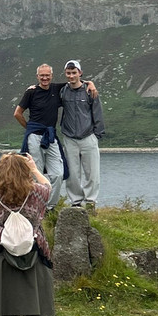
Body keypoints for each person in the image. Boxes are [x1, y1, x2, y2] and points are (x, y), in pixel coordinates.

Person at [0, 152, 55, 316]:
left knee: (8, 298)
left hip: (3, 251)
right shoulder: (39, 193)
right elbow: (48, 184)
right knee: (36, 297)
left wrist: (3, 167)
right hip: (35, 249)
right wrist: (33, 169)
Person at [13, 64, 97, 210]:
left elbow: (75, 81)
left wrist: (91, 84)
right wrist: (30, 128)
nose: (45, 78)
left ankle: (49, 207)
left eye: (47, 75)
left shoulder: (57, 89)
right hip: (34, 137)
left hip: (51, 136)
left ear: (51, 76)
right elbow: (17, 113)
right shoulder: (31, 93)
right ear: (37, 76)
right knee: (36, 173)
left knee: (58, 174)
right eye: (41, 75)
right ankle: (37, 207)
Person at [59, 60, 105, 208]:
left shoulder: (90, 91)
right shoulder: (62, 91)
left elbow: (97, 112)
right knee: (72, 174)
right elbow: (47, 89)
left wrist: (97, 134)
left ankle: (90, 202)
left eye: (74, 72)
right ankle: (76, 202)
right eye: (68, 73)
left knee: (92, 173)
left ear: (80, 73)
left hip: (88, 137)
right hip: (69, 138)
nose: (71, 75)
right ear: (65, 73)